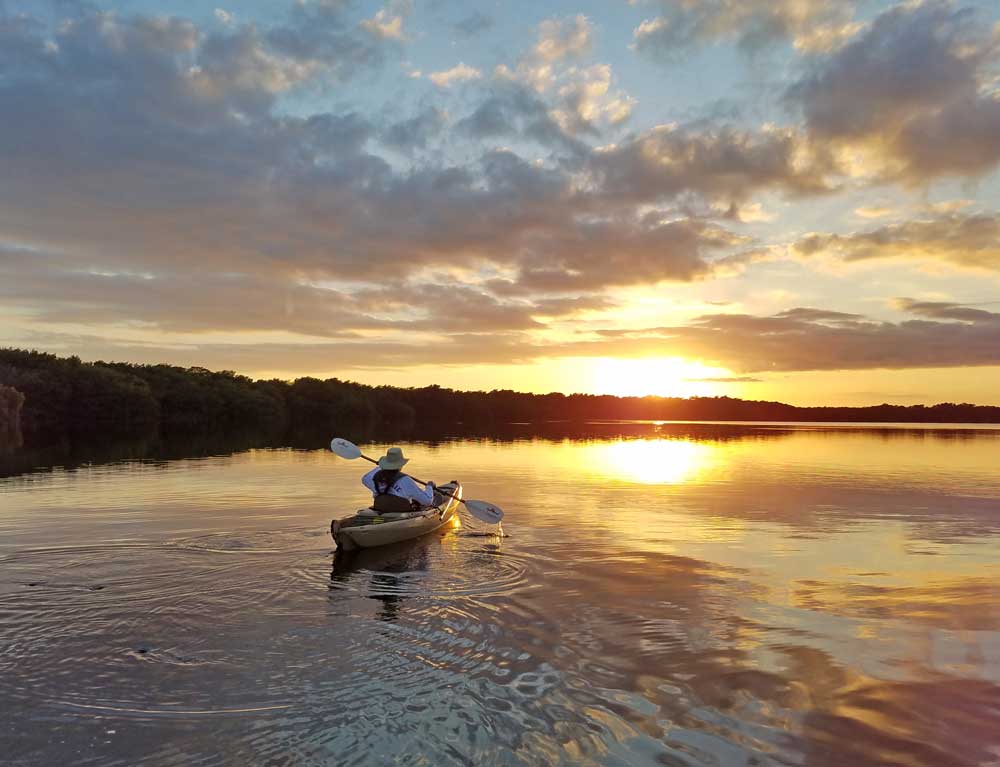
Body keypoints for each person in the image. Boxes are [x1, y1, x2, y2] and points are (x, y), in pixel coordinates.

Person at [362, 447, 438, 513]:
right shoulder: (405, 480)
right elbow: (427, 501)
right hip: (401, 513)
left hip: (381, 508)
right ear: (401, 465)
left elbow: (364, 478)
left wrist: (381, 466)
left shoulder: (374, 477)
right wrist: (429, 486)